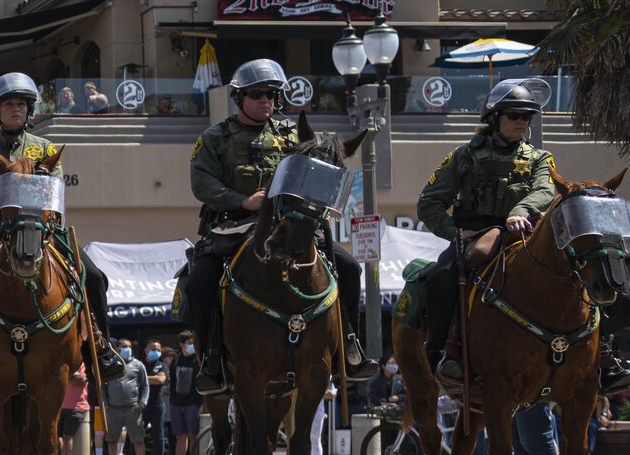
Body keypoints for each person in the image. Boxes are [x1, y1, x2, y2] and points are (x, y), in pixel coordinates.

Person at [415, 78, 624, 391]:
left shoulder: (540, 158)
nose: (521, 122)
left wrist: (520, 212)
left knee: (590, 266)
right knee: (442, 276)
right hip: (478, 233)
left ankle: (605, 357)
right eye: (514, 115)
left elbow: (544, 190)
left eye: (527, 117)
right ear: (493, 118)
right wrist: (457, 234)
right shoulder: (463, 157)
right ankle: (444, 351)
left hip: (529, 233)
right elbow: (428, 203)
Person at [181, 60, 376, 389]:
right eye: (256, 94)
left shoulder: (293, 136)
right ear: (239, 97)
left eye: (272, 95)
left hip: (290, 222)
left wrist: (321, 202)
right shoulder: (214, 137)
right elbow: (202, 183)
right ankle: (211, 359)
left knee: (350, 268)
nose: (266, 101)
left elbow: (316, 171)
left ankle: (349, 347)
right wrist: (242, 200)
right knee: (200, 282)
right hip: (233, 223)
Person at [0, 73, 113, 380]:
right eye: (8, 105)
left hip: (44, 230)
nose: (15, 109)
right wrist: (6, 207)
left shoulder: (46, 149)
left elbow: (54, 190)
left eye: (21, 104)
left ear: (29, 110)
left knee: (94, 277)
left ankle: (100, 346)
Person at [100, 341, 145, 455]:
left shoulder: (138, 365)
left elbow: (145, 385)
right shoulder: (110, 364)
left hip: (133, 408)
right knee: (112, 439)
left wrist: (142, 404)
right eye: (124, 347)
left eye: (129, 347)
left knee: (138, 439)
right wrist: (105, 403)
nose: (127, 349)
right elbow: (102, 386)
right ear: (117, 349)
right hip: (113, 408)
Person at [167, 333, 203, 455]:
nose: (192, 345)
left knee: (193, 435)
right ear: (182, 344)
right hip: (176, 404)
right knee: (180, 436)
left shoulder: (198, 360)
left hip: (193, 404)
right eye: (189, 342)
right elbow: (172, 383)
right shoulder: (176, 360)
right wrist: (172, 401)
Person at [59, 361, 90, 455]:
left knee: (67, 437)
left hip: (77, 407)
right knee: (56, 437)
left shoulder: (82, 364)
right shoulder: (62, 361)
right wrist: (71, 377)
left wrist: (66, 376)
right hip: (59, 406)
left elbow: (81, 380)